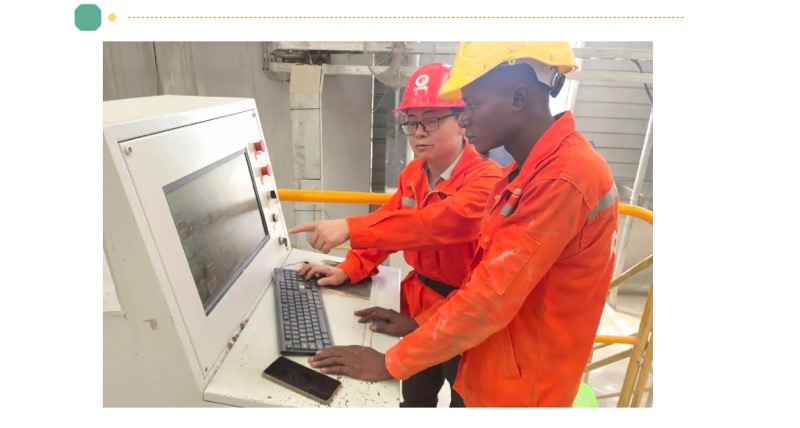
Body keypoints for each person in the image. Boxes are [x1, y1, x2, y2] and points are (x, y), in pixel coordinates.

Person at [306, 42, 620, 407]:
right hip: (489, 350)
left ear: (519, 97)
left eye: (471, 105)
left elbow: (487, 295)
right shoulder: (525, 173)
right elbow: (482, 280)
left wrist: (390, 362)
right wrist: (360, 272)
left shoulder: (560, 178)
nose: (465, 119)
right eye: (413, 121)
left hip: (521, 385)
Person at [287, 62, 503, 407]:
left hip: (463, 311)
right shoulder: (414, 173)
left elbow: (436, 224)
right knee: (416, 391)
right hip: (418, 300)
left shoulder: (487, 181)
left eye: (431, 120)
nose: (419, 132)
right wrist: (349, 268)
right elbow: (389, 221)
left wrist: (349, 228)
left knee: (464, 396)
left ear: (463, 119)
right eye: (412, 122)